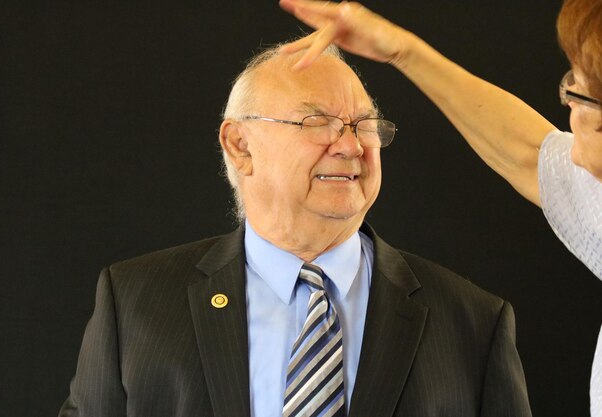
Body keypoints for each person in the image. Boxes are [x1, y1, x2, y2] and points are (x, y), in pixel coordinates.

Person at [59, 42, 532, 417]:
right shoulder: (135, 302)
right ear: (240, 145)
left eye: (363, 124)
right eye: (317, 122)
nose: (351, 146)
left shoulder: (474, 322)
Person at [278, 0, 602, 414]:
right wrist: (402, 50)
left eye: (579, 93)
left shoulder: (473, 321)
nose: (349, 146)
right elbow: (529, 152)